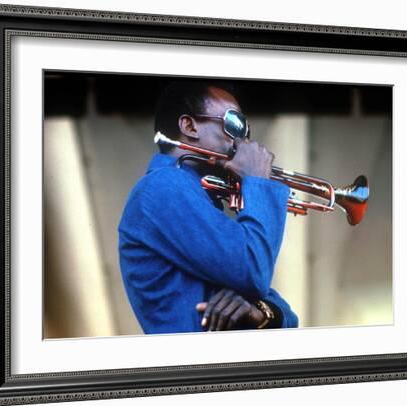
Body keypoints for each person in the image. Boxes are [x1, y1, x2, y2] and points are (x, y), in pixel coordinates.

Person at [118, 80, 298, 334]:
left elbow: (285, 312)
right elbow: (252, 270)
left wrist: (262, 311)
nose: (243, 140)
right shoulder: (164, 186)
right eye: (235, 124)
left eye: (246, 130)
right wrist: (257, 182)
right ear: (189, 126)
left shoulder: (194, 192)